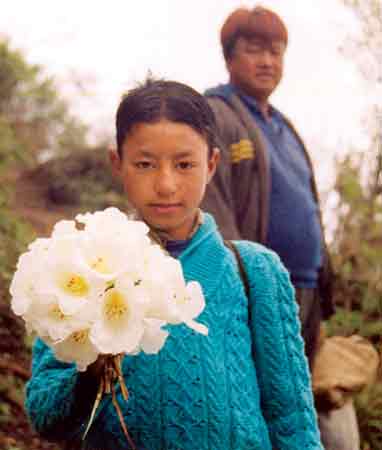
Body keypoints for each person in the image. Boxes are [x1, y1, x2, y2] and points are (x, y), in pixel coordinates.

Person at [25, 79, 323, 450]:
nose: (166, 185)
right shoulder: (80, 269)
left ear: (212, 163)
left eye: (184, 164)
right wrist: (94, 368)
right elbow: (46, 417)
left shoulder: (256, 273)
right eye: (145, 164)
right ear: (117, 163)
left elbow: (292, 420)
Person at [200, 6, 359, 450]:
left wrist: (323, 301)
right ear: (230, 58)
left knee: (296, 405)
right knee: (257, 404)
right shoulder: (215, 114)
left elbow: (311, 209)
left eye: (276, 51)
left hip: (305, 294)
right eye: (254, 50)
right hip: (258, 292)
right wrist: (236, 287)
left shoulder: (284, 127)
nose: (267, 61)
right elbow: (211, 207)